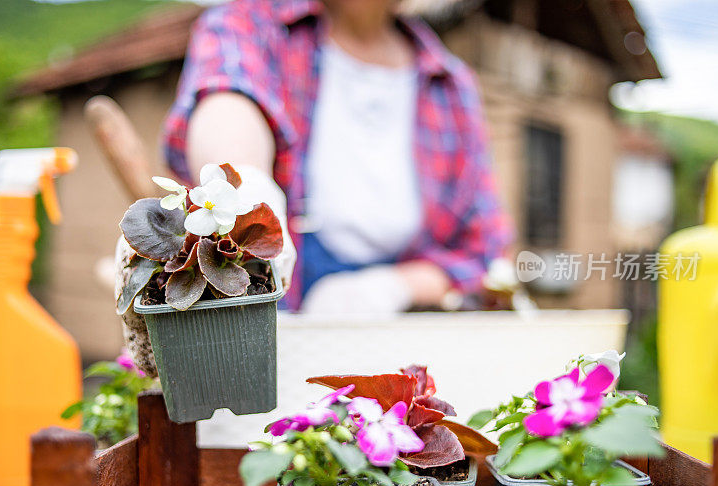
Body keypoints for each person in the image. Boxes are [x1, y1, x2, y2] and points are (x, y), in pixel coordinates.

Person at [164, 0, 512, 314]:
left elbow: (484, 250)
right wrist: (245, 189)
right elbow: (228, 97)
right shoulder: (250, 24)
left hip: (397, 327)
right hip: (271, 309)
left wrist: (399, 286)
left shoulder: (451, 85)